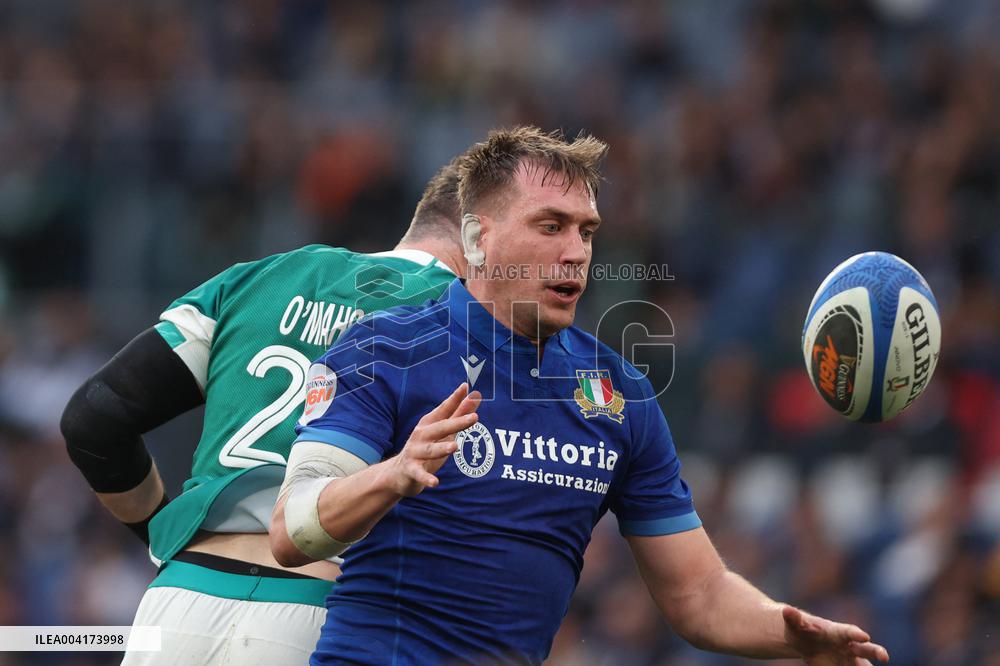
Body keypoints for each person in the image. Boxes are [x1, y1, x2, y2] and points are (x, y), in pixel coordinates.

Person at [270, 126, 891, 665]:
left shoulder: (621, 395)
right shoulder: (385, 349)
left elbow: (698, 593)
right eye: (550, 227)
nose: (576, 253)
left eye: (586, 232)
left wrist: (791, 634)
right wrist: (392, 475)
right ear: (478, 238)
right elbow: (292, 530)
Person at [60, 161, 467, 665]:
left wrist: (171, 534)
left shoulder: (256, 279)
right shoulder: (470, 320)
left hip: (178, 603)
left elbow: (93, 419)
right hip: (330, 612)